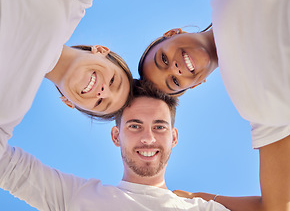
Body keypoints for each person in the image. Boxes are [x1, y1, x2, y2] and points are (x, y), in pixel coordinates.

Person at [138, 0, 290, 210]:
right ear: (195, 85)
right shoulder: (253, 104)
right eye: (174, 83)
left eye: (163, 59)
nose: (175, 69)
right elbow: (276, 206)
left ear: (172, 33)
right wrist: (197, 197)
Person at [0, 79, 231, 210]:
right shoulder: (76, 197)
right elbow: (6, 165)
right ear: (115, 135)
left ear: (174, 137)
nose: (148, 138)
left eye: (159, 127)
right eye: (135, 126)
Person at [0, 0, 133, 145]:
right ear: (101, 50)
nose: (103, 92)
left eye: (100, 102)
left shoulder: (10, 112)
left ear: (69, 103)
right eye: (113, 81)